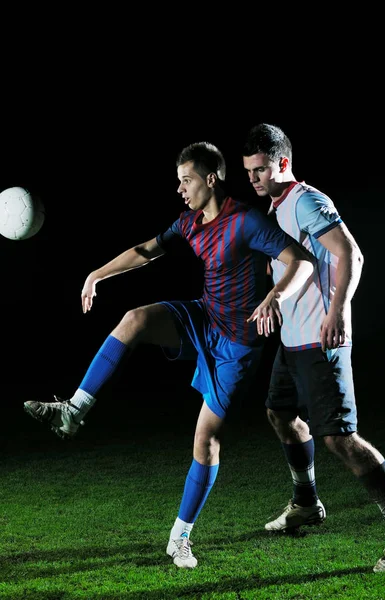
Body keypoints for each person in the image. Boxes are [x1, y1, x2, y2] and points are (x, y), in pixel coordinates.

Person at [24, 141, 314, 569]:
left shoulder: (246, 221)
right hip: (204, 318)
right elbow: (145, 250)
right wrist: (96, 274)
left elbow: (301, 261)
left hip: (237, 346)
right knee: (135, 319)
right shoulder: (190, 222)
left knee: (206, 439)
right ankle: (74, 409)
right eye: (178, 181)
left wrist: (274, 295)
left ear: (210, 179)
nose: (180, 189)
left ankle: (180, 538)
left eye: (187, 180)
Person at [242, 123, 385, 573]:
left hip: (321, 338)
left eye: (261, 170)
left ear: (284, 163)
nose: (254, 179)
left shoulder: (307, 200)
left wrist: (339, 311)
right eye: (248, 171)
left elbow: (351, 252)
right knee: (280, 413)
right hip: (293, 341)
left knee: (340, 439)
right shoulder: (276, 208)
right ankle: (306, 503)